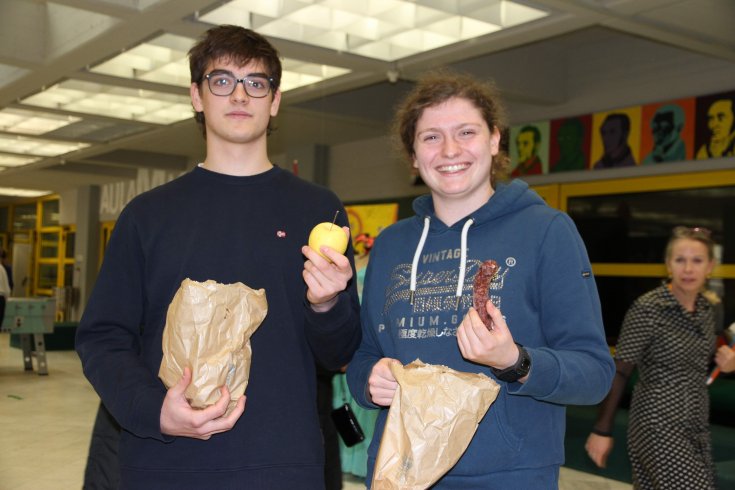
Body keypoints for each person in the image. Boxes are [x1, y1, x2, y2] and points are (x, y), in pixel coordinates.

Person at [75, 25, 361, 489]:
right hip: (167, 463)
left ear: (275, 101)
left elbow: (339, 353)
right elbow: (103, 338)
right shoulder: (147, 216)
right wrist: (155, 410)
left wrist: (328, 305)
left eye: (256, 82)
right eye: (222, 80)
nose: (240, 95)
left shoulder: (316, 210)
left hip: (283, 463)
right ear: (196, 95)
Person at [346, 70, 615, 489]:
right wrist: (368, 379)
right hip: (400, 470)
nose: (450, 149)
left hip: (508, 476)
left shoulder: (546, 231)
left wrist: (515, 361)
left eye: (466, 132)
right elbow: (363, 354)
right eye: (431, 137)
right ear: (414, 157)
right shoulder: (391, 245)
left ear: (494, 140)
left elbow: (595, 373)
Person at [585, 226, 721, 489]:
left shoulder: (707, 310)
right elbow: (621, 369)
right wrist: (602, 429)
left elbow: (698, 363)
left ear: (710, 266)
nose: (688, 269)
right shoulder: (649, 308)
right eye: (680, 260)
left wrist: (724, 363)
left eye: (697, 260)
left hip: (697, 425)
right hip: (657, 424)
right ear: (669, 264)